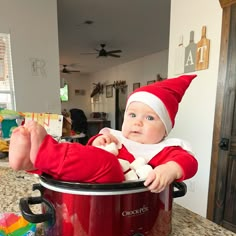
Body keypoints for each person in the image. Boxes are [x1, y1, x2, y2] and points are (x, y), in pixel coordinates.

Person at [9, 75, 198, 193]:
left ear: (165, 128)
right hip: (89, 186)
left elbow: (190, 162)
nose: (137, 122)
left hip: (121, 192)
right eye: (132, 115)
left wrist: (170, 170)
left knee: (107, 163)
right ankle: (34, 163)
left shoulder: (165, 150)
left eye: (149, 118)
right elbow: (90, 149)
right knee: (79, 156)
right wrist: (99, 140)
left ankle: (43, 152)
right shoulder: (116, 138)